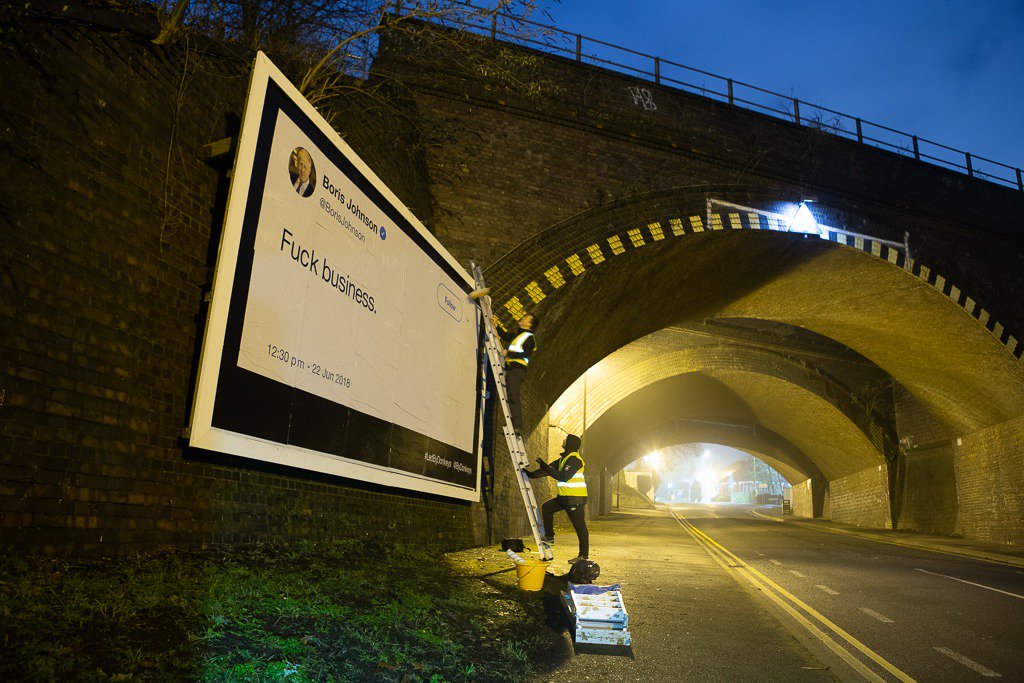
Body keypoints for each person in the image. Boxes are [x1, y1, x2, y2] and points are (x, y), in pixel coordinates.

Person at [524, 433, 589, 563]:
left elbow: (563, 476)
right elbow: (548, 470)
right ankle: (549, 537)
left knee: (580, 527)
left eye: (566, 439)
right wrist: (530, 474)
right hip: (564, 498)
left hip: (575, 499)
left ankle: (583, 556)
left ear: (570, 443)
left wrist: (546, 468)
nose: (563, 440)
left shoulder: (575, 460)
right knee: (547, 507)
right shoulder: (563, 459)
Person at [502, 313, 536, 436]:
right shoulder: (518, 335)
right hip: (511, 369)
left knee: (513, 396)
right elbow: (506, 336)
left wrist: (509, 354)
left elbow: (525, 354)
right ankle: (514, 423)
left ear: (530, 324)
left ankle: (517, 426)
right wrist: (496, 326)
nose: (523, 318)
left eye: (526, 318)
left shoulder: (529, 338)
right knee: (510, 395)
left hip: (517, 370)